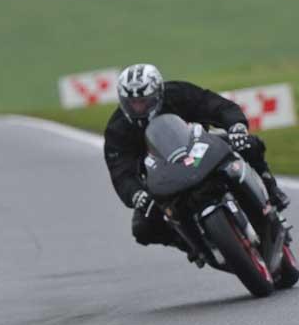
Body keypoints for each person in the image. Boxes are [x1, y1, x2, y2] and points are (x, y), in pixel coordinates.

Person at [104, 63, 290, 253]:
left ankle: (271, 191)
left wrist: (236, 126)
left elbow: (215, 105)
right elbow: (120, 170)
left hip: (202, 148)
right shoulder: (117, 129)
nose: (138, 108)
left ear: (158, 94)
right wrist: (136, 193)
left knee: (249, 144)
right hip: (162, 176)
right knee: (142, 228)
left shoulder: (177, 93)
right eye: (132, 103)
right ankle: (190, 245)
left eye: (143, 101)